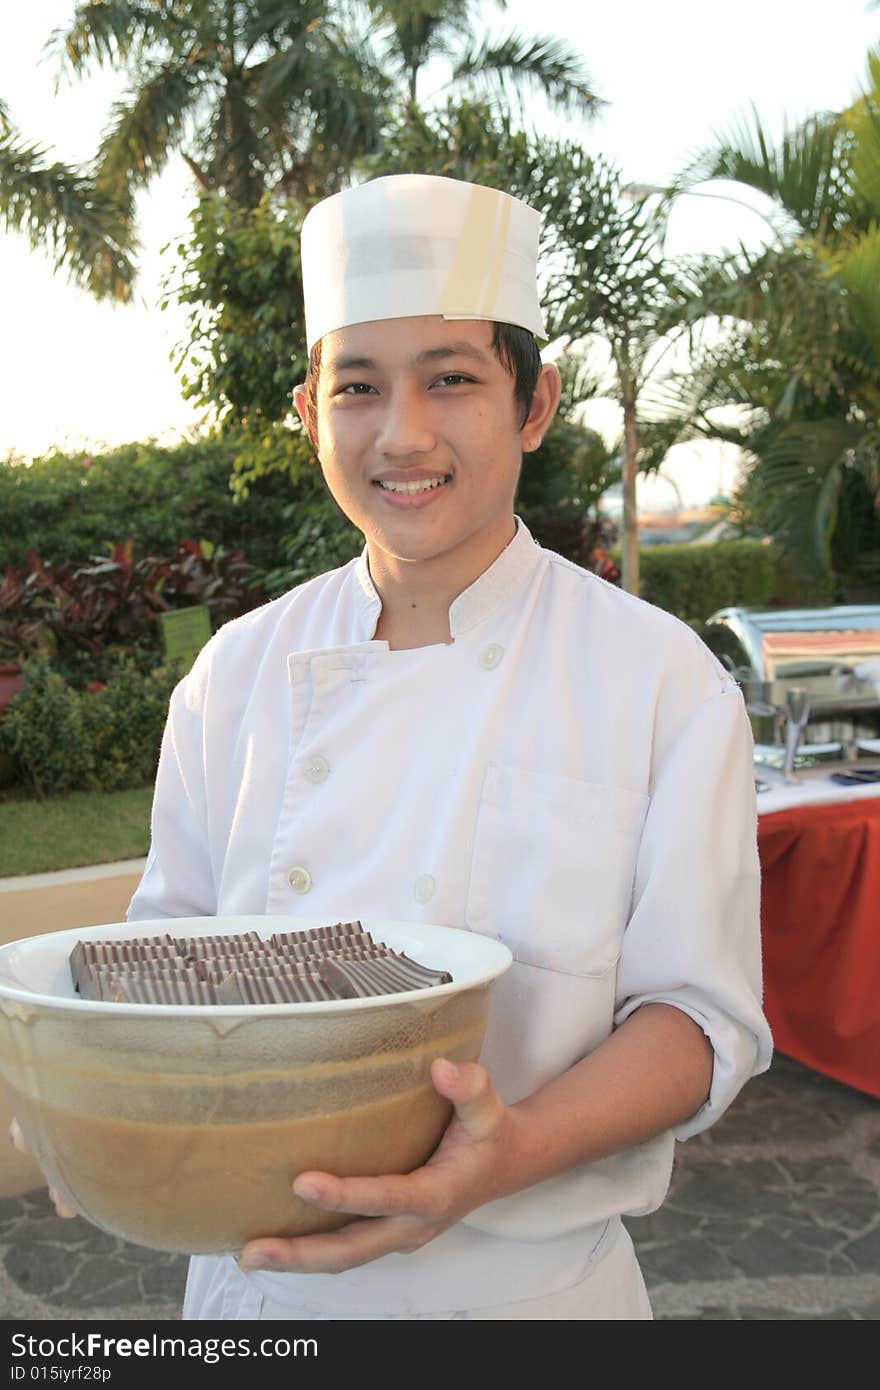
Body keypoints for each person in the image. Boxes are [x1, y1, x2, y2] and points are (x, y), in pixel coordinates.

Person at [27, 174, 773, 1320]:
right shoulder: (238, 674)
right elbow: (161, 957)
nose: (402, 434)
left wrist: (508, 1148)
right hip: (254, 1292)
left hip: (523, 1292)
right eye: (359, 387)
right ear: (306, 408)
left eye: (452, 379)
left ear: (534, 404)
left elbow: (696, 1018)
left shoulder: (657, 678)